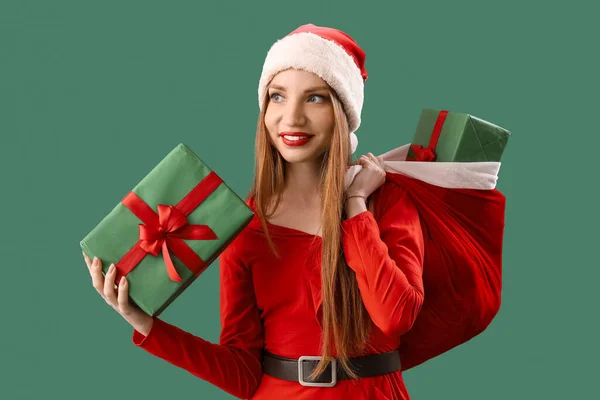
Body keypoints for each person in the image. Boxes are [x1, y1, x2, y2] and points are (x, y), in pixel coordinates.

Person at [84, 23, 426, 399]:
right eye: (278, 97)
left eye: (315, 98)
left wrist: (355, 204)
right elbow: (243, 372)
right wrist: (144, 323)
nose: (291, 118)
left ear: (343, 112)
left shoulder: (386, 201)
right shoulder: (247, 224)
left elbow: (396, 316)